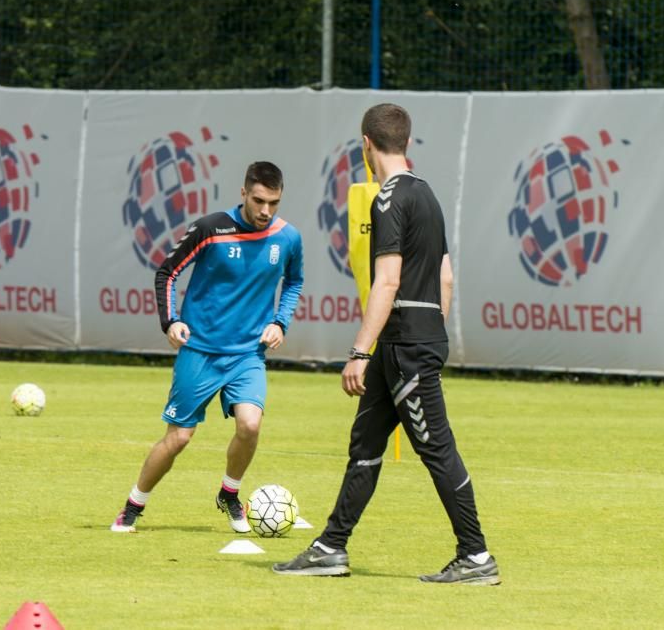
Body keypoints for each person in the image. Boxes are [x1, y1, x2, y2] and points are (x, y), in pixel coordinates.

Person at [273, 104, 499, 584]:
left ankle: (476, 556)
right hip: (412, 339)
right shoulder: (426, 193)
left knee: (437, 449)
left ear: (365, 144)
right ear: (408, 143)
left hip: (403, 346)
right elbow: (446, 276)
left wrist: (359, 351)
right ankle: (331, 547)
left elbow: (388, 281)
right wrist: (431, 332)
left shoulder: (386, 199)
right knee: (366, 444)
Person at [111, 160, 304, 534]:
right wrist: (172, 320)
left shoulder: (289, 237)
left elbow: (294, 282)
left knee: (250, 425)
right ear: (244, 193)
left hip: (248, 354)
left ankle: (229, 493)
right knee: (179, 438)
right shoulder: (211, 229)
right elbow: (167, 272)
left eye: (274, 203)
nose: (266, 211)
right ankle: (133, 505)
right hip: (200, 350)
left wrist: (280, 322)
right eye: (260, 201)